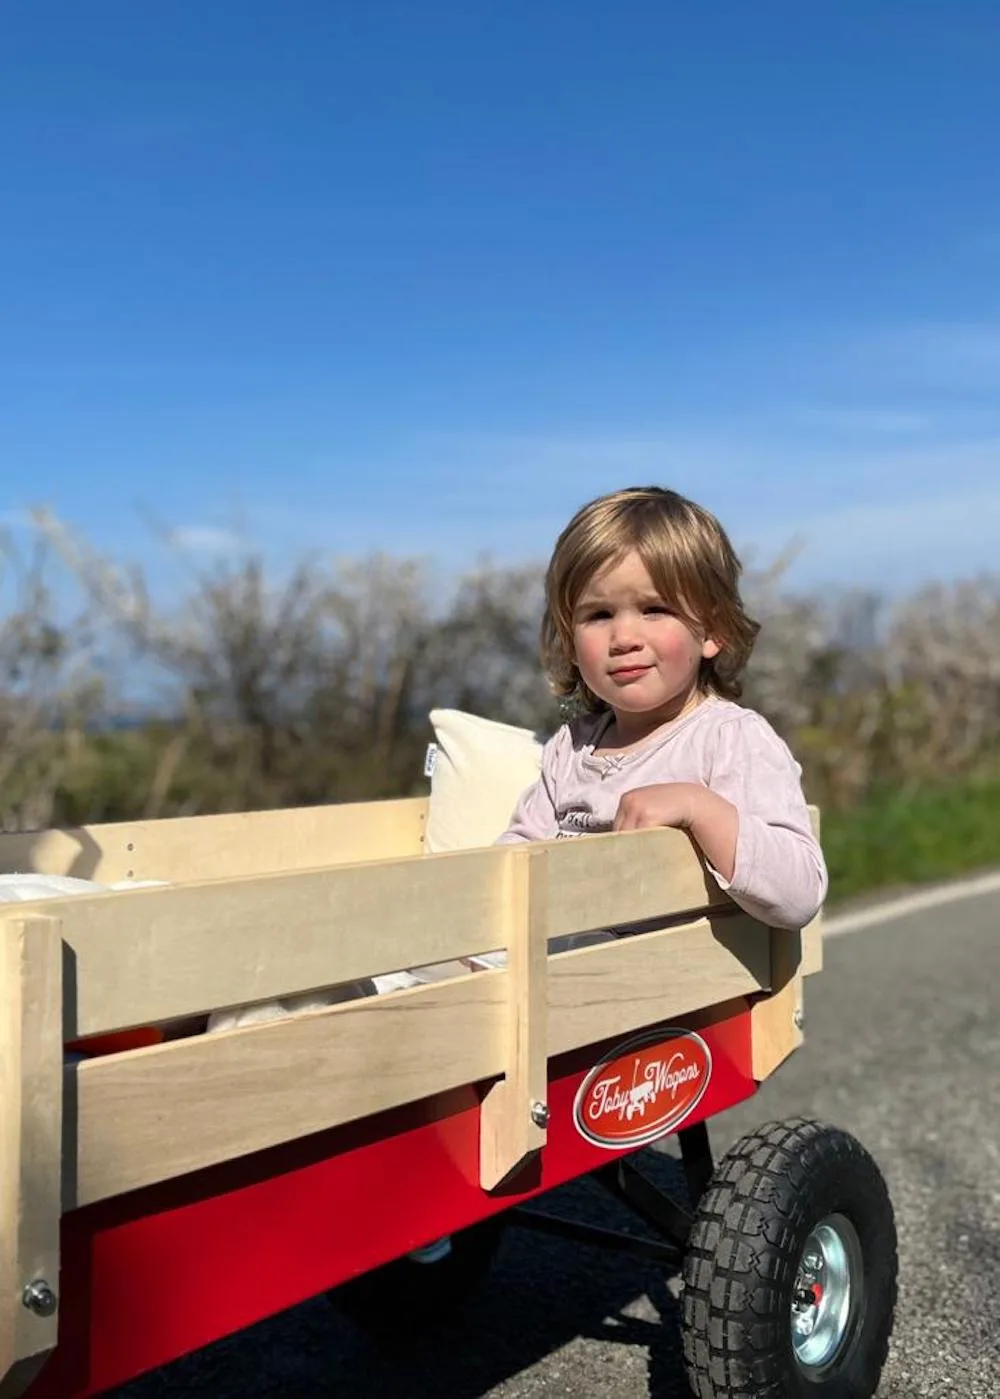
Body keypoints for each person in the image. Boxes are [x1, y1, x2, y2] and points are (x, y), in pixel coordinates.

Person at [496, 485, 827, 933]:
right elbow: (514, 859)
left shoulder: (728, 740)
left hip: (684, 992)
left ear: (712, 630)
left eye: (654, 609)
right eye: (598, 615)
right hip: (562, 976)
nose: (624, 637)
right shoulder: (570, 751)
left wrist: (699, 807)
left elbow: (800, 893)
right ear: (569, 640)